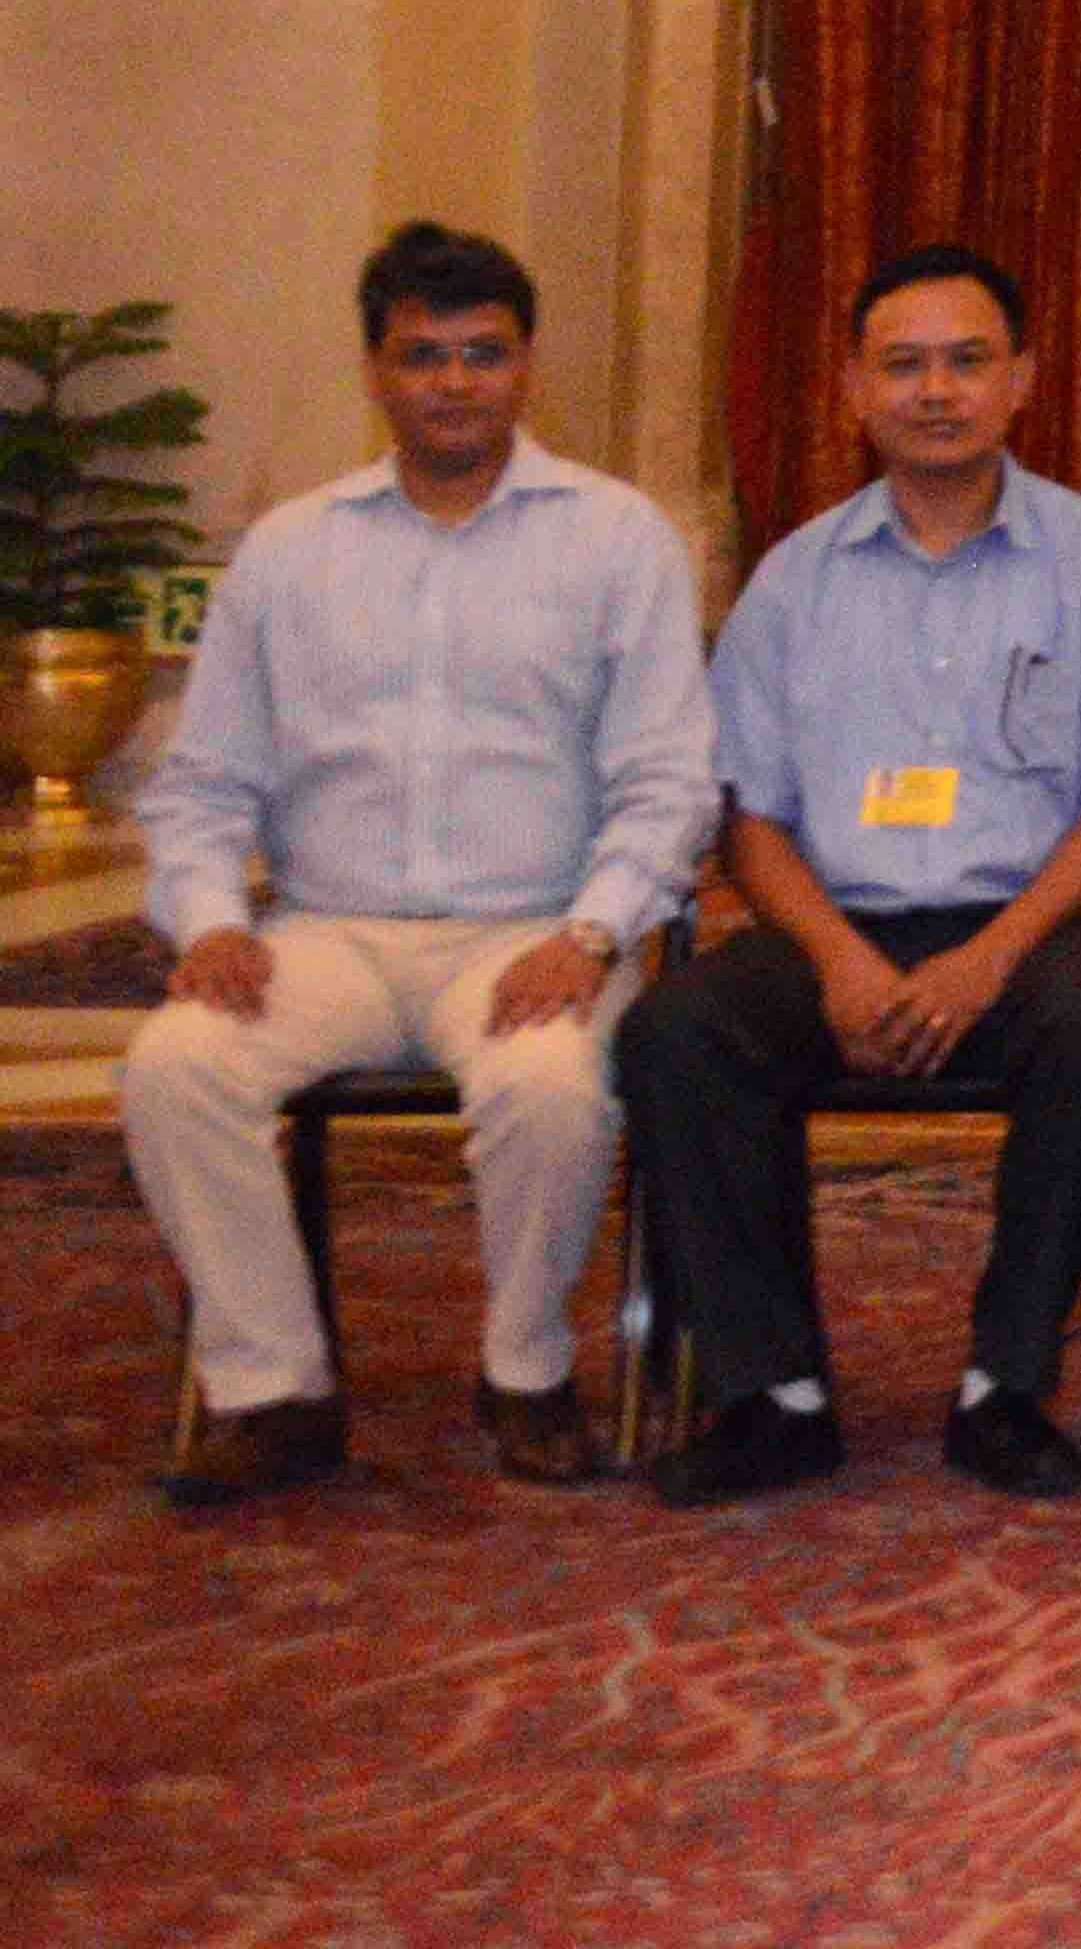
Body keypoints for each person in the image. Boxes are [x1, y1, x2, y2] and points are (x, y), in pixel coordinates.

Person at [130, 223, 711, 1507]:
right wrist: (214, 920)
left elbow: (668, 780)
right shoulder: (289, 551)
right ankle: (270, 1384)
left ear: (526, 365)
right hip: (330, 931)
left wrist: (595, 934)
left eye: (484, 355)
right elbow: (204, 780)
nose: (455, 382)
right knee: (174, 1067)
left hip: (534, 929)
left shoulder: (617, 539)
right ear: (376, 371)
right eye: (423, 356)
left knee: (552, 1084)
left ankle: (524, 1371)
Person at [619, 247, 1081, 1507]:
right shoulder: (791, 580)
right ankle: (774, 1391)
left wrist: (985, 961)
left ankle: (1008, 1383)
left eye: (967, 360)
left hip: (1037, 919)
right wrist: (840, 961)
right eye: (905, 363)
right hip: (844, 918)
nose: (938, 390)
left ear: (1022, 380)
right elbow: (751, 821)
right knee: (678, 1030)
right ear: (853, 391)